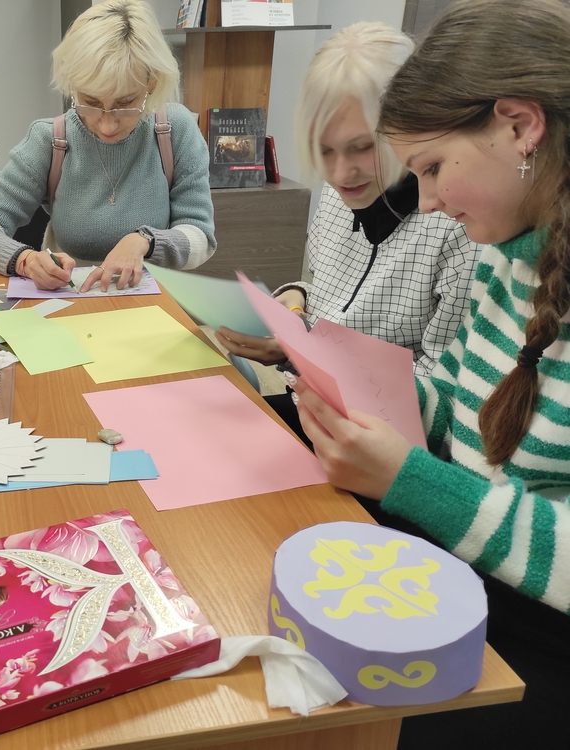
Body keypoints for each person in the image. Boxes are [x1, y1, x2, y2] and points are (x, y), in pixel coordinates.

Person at [289, 0, 570, 744]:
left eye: (435, 168)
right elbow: (461, 399)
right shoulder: (504, 253)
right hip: (465, 571)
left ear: (521, 126)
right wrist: (363, 390)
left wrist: (410, 480)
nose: (431, 202)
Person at [215, 22, 480, 379]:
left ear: (412, 127)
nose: (340, 174)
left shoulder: (461, 226)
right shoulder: (341, 192)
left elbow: (441, 388)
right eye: (322, 150)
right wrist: (297, 298)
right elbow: (336, 301)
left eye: (364, 147)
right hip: (310, 397)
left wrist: (305, 354)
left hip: (374, 413)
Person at [0, 0, 215, 294]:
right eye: (90, 102)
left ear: (152, 84)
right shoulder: (50, 140)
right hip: (69, 301)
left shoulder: (174, 129)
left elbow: (201, 237)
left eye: (125, 103)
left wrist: (145, 241)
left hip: (155, 302)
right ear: (72, 85)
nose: (107, 125)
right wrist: (24, 260)